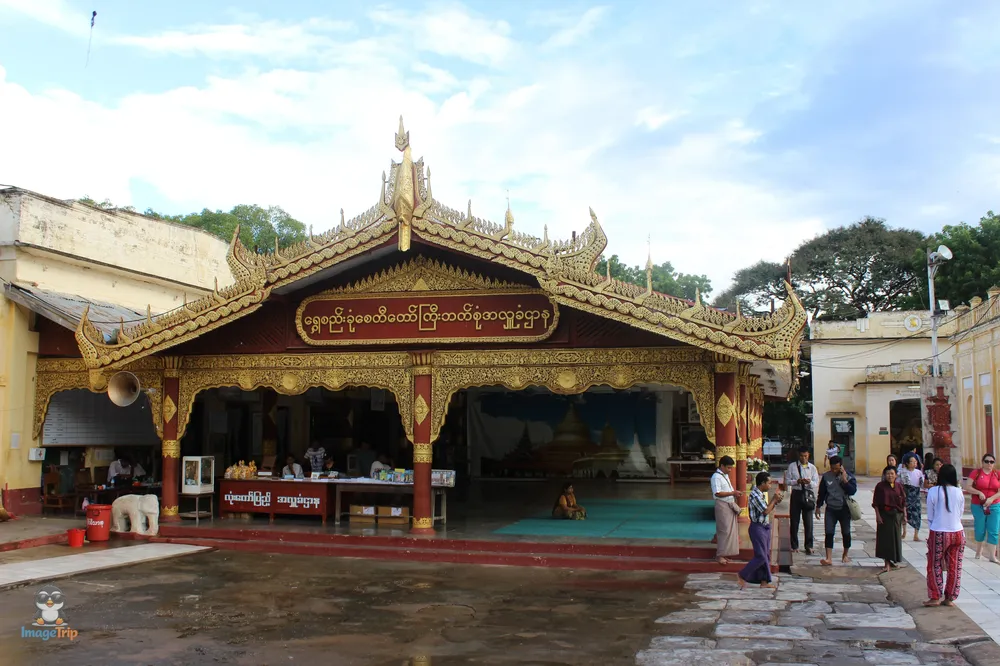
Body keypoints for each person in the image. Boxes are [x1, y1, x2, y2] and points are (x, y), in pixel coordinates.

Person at [925, 464, 966, 607]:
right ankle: (950, 598)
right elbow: (960, 513)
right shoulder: (959, 491)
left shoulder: (933, 491)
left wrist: (933, 530)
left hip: (939, 532)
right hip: (958, 532)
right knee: (955, 566)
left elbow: (930, 515)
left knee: (934, 564)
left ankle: (935, 596)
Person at [738, 472, 783, 589]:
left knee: (766, 556)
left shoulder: (761, 494)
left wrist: (775, 501)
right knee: (760, 556)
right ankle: (743, 575)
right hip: (757, 528)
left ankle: (764, 581)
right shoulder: (755, 495)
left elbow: (767, 508)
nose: (770, 485)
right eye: (768, 483)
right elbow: (765, 511)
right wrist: (773, 499)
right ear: (762, 483)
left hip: (765, 526)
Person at [815, 456, 858, 566]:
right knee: (829, 532)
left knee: (846, 533)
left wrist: (844, 480)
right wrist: (818, 506)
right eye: (832, 468)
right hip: (831, 509)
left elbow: (852, 491)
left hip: (844, 509)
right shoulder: (826, 477)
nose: (834, 470)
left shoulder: (849, 476)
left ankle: (845, 555)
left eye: (837, 468)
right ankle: (828, 558)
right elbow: (822, 493)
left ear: (841, 467)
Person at [784, 445, 819, 555]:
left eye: (805, 456)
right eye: (801, 456)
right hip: (796, 494)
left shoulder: (812, 468)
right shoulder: (792, 466)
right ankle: (794, 545)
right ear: (798, 456)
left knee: (808, 522)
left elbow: (816, 482)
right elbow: (787, 481)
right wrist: (797, 481)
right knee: (794, 521)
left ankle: (809, 545)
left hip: (808, 495)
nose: (803, 458)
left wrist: (809, 482)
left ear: (808, 455)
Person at [965, 453, 1000, 562]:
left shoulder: (997, 474)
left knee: (993, 529)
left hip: (994, 504)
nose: (989, 464)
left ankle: (992, 555)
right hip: (978, 505)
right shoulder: (976, 473)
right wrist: (978, 492)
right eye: (987, 461)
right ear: (982, 462)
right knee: (980, 529)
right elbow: (967, 487)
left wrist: (992, 498)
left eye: (991, 462)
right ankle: (979, 550)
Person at [873, 465, 906, 573]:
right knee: (885, 540)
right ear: (884, 475)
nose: (890, 476)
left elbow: (903, 501)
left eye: (892, 473)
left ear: (896, 475)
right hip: (884, 515)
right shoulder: (880, 486)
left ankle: (893, 561)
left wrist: (904, 515)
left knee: (896, 539)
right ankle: (886, 563)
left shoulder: (898, 486)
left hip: (896, 515)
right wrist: (878, 516)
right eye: (888, 474)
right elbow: (876, 503)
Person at [711, 456, 743, 565]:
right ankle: (719, 555)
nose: (730, 470)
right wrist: (732, 493)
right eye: (728, 468)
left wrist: (734, 493)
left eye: (731, 468)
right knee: (723, 530)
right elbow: (717, 493)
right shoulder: (716, 477)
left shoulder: (724, 475)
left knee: (729, 531)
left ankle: (725, 554)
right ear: (722, 466)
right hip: (722, 505)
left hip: (729, 504)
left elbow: (727, 490)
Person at [899, 456, 925, 542]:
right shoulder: (903, 472)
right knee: (905, 513)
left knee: (917, 514)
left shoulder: (918, 472)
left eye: (915, 462)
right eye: (912, 462)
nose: (915, 463)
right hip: (906, 495)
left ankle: (916, 534)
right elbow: (899, 483)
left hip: (916, 495)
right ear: (907, 463)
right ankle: (904, 531)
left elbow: (922, 485)